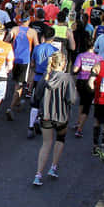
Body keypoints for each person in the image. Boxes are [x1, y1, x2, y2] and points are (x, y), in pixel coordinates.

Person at [31, 53, 75, 186]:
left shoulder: (46, 77)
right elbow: (71, 99)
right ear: (63, 64)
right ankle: (53, 167)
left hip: (46, 115)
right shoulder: (67, 78)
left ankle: (38, 174)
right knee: (60, 140)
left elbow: (37, 96)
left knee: (46, 143)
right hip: (62, 116)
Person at [7, 13, 38, 119]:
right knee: (19, 86)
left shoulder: (15, 29)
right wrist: (34, 60)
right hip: (25, 61)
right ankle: (10, 108)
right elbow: (37, 47)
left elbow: (6, 41)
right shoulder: (32, 32)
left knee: (17, 82)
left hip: (14, 60)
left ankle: (18, 102)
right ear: (29, 20)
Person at [72, 34, 100, 139]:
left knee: (82, 102)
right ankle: (79, 130)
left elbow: (75, 70)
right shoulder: (98, 58)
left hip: (80, 82)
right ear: (93, 46)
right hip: (91, 83)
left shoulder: (81, 56)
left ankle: (78, 122)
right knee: (87, 107)